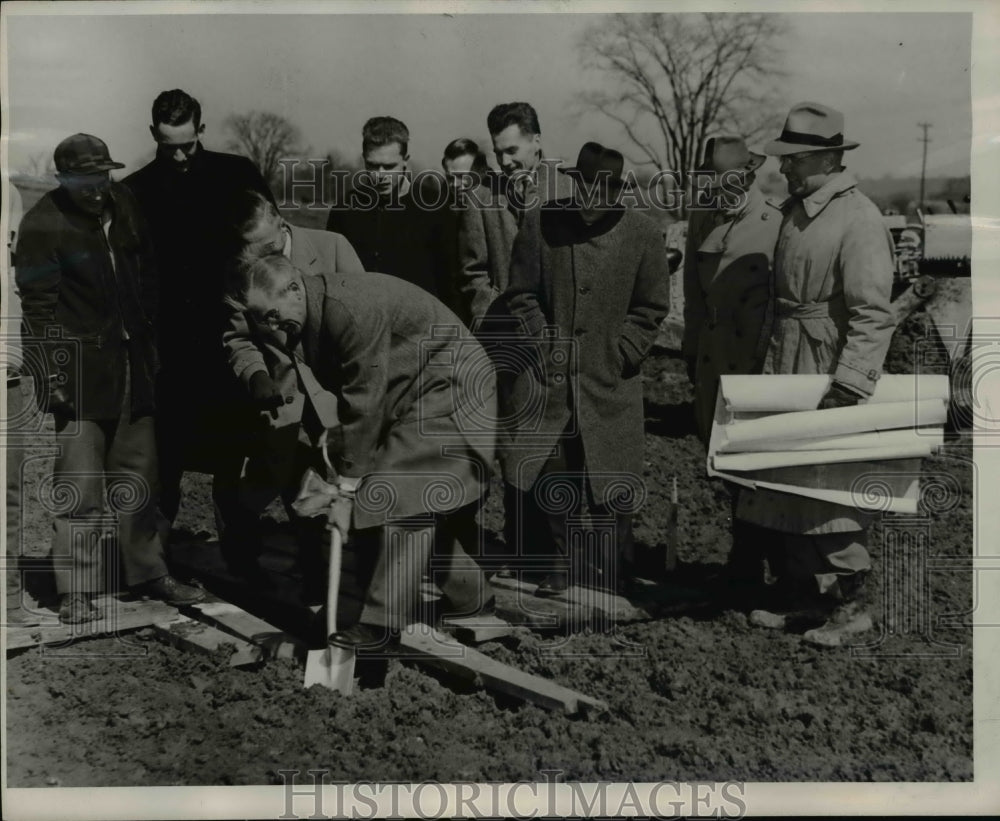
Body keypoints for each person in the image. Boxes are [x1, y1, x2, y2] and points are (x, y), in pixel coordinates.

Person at [224, 255, 497, 645]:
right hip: (410, 394)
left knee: (401, 495)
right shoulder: (306, 315)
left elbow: (365, 399)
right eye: (260, 320)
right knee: (397, 501)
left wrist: (347, 484)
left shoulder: (346, 310)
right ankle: (473, 599)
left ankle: (380, 625)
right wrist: (347, 464)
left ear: (295, 289)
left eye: (271, 315)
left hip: (453, 387)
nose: (270, 327)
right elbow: (356, 396)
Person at [15, 133, 204, 624]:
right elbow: (37, 310)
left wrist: (148, 335)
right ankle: (76, 590)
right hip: (79, 374)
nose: (96, 189)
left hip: (132, 366)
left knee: (141, 478)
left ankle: (149, 572)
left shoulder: (125, 204)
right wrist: (54, 375)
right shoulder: (43, 223)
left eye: (102, 177)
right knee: (80, 488)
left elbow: (148, 273)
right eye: (84, 182)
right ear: (63, 180)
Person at [735, 102, 897, 645]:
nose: (784, 168)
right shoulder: (797, 212)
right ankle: (807, 600)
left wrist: (849, 384)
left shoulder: (859, 219)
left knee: (829, 490)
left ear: (829, 159)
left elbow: (874, 314)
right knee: (787, 484)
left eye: (795, 159)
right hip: (786, 358)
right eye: (784, 159)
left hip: (825, 369)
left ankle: (853, 608)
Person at [502, 142, 670, 596]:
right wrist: (543, 342)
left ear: (619, 191)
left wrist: (622, 352)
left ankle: (613, 569)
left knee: (611, 475)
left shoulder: (643, 233)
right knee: (554, 471)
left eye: (605, 191)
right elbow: (520, 294)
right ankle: (560, 564)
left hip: (609, 378)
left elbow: (651, 308)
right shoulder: (541, 222)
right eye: (586, 188)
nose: (593, 200)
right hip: (551, 376)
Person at [123, 89, 275, 526]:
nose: (178, 157)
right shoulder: (134, 191)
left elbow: (269, 247)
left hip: (230, 337)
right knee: (166, 461)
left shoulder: (237, 175)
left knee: (233, 464)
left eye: (187, 146)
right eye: (168, 146)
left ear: (202, 130)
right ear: (153, 133)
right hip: (168, 347)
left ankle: (239, 549)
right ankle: (160, 552)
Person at [455, 102, 573, 328]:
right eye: (498, 153)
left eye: (511, 151)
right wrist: (493, 319)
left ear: (536, 141)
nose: (504, 162)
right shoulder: (479, 197)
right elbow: (472, 272)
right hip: (504, 332)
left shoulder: (571, 190)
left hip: (558, 330)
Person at [325, 117, 453, 307]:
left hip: (421, 319)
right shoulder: (344, 208)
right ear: (364, 160)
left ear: (405, 161)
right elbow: (332, 279)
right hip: (363, 317)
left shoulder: (435, 206)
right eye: (373, 166)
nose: (380, 175)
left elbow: (450, 281)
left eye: (389, 166)